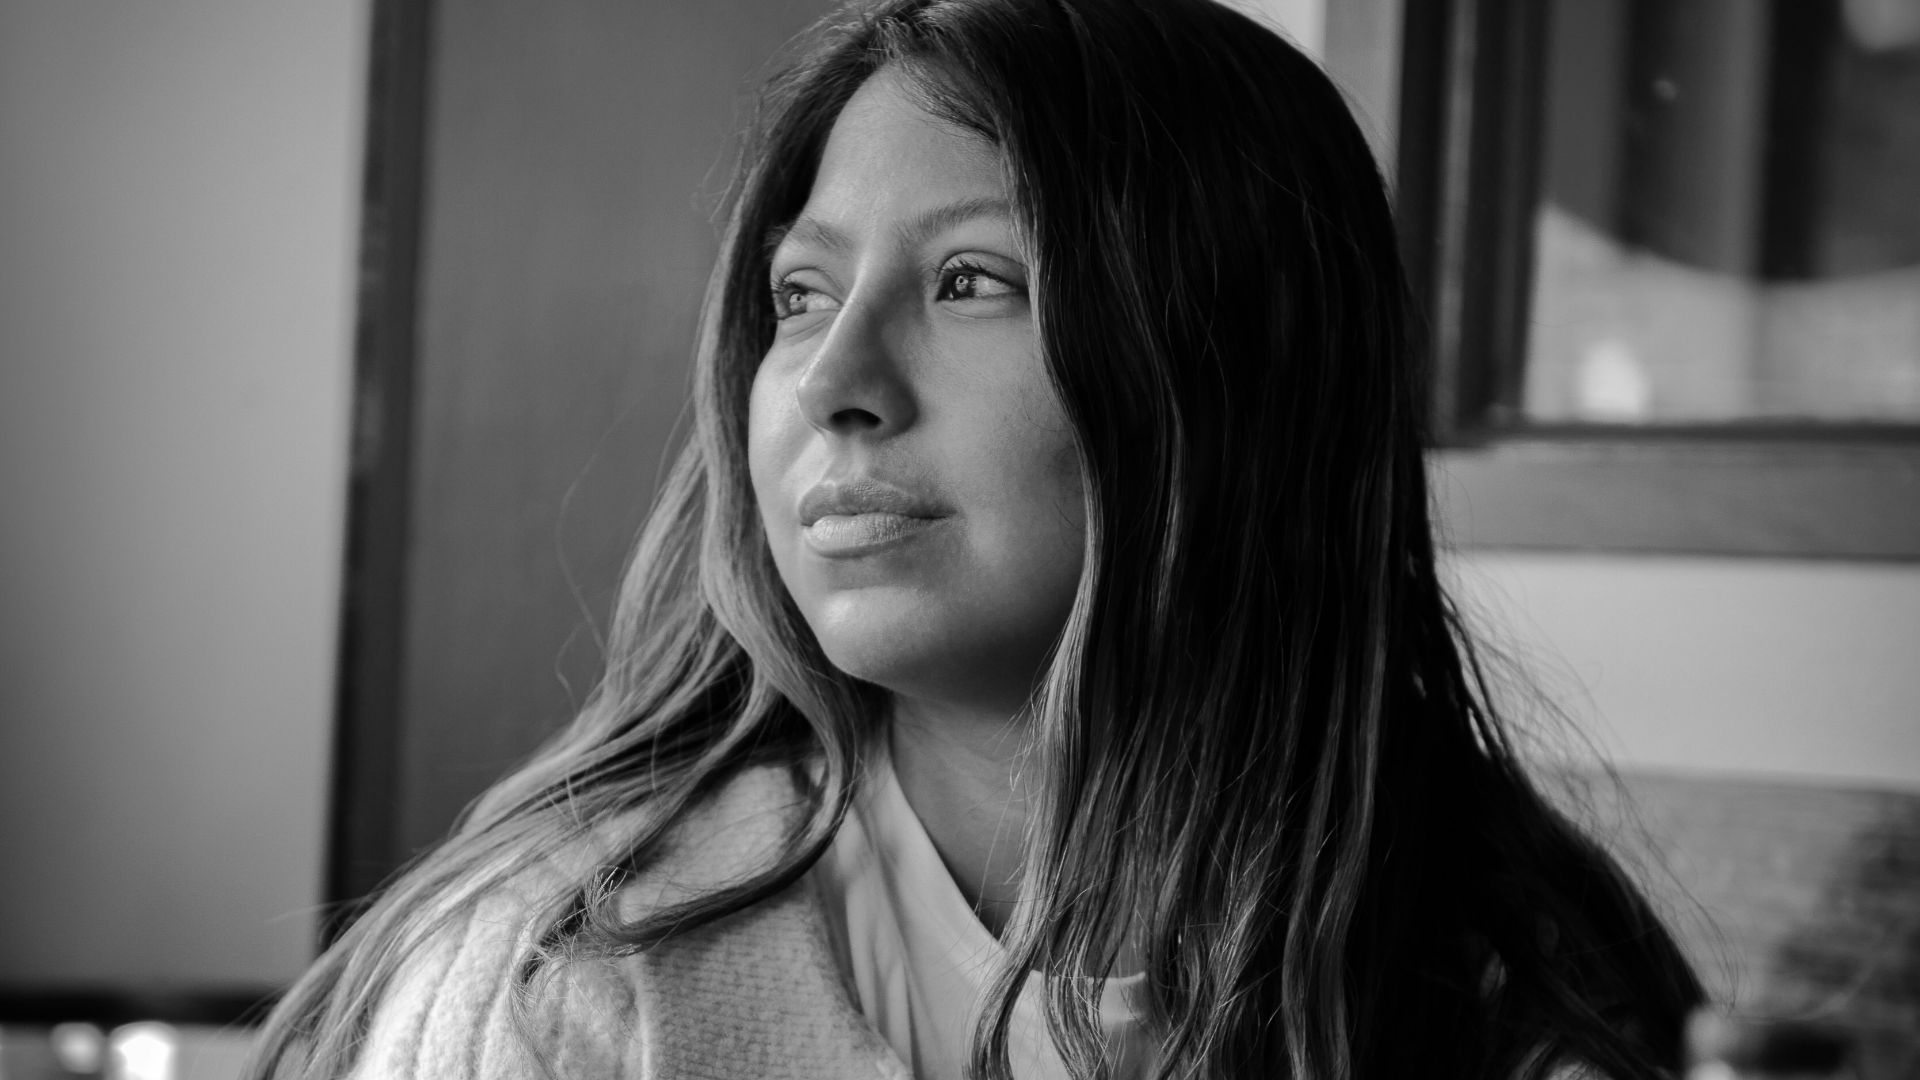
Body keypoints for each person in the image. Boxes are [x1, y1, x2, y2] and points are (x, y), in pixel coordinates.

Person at [249, 0, 1707, 1077]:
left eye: (970, 280)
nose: (830, 383)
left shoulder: (1531, 992)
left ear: (1234, 377)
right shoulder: (558, 981)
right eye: (802, 296)